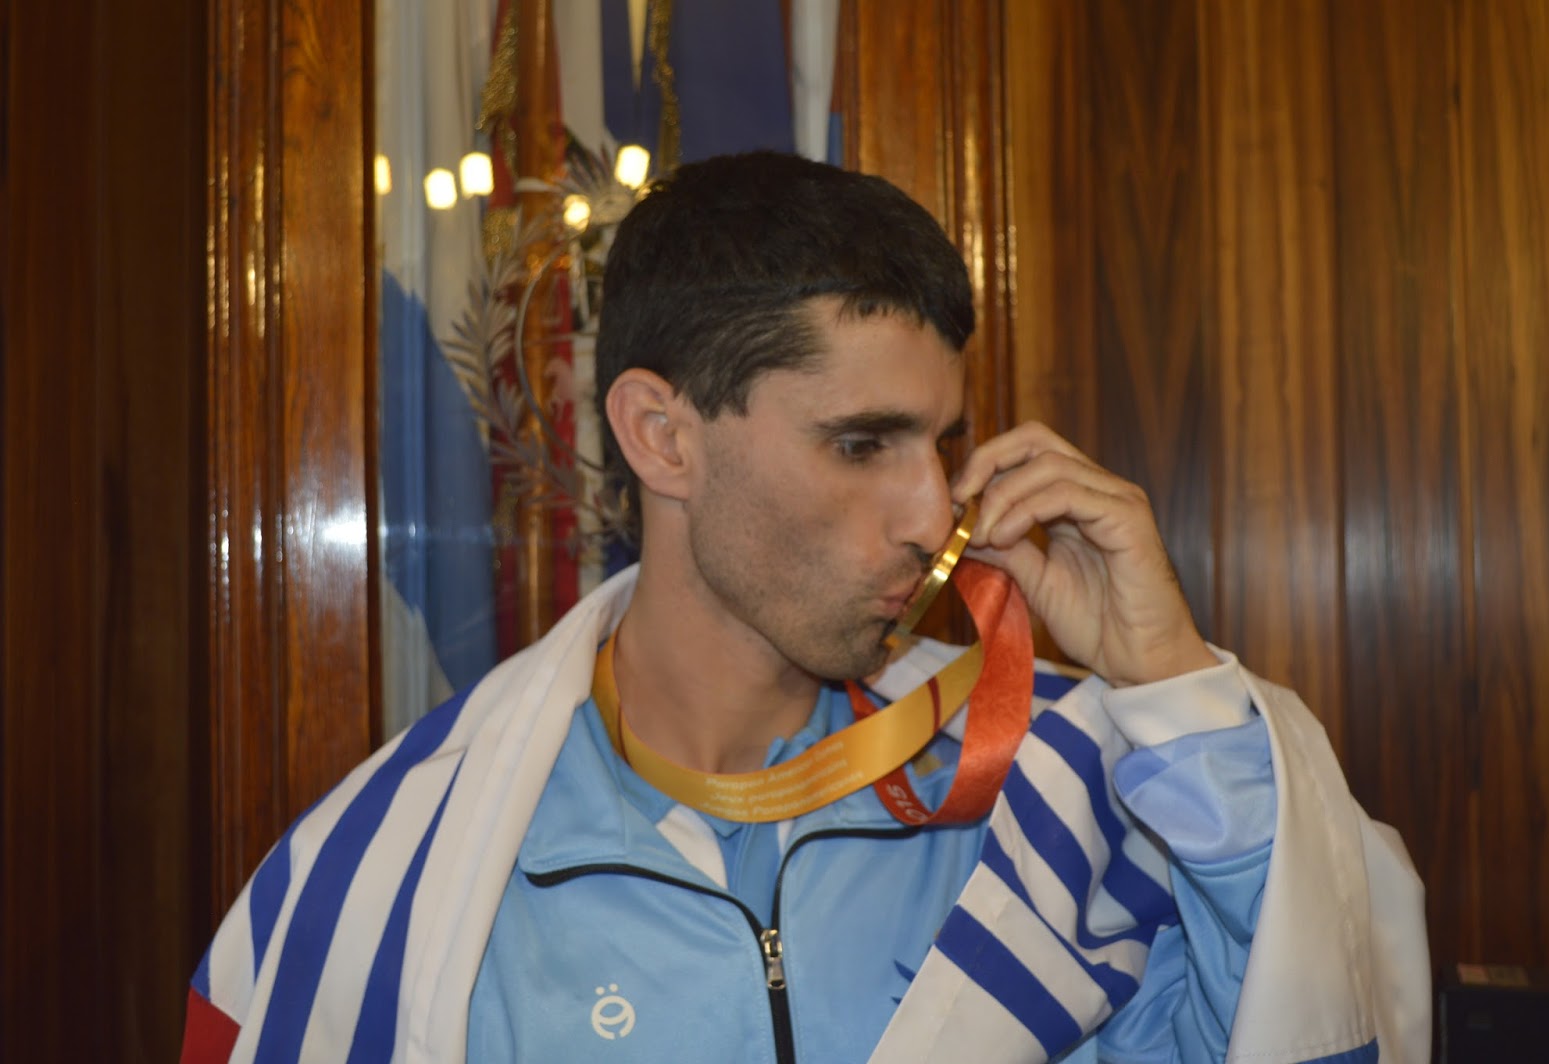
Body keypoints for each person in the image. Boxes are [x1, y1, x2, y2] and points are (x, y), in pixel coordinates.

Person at [182, 152, 1430, 1063]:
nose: (934, 511)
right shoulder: (408, 869)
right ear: (662, 436)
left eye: (942, 443)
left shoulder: (1050, 792)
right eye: (860, 442)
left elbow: (1302, 1019)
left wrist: (1170, 681)